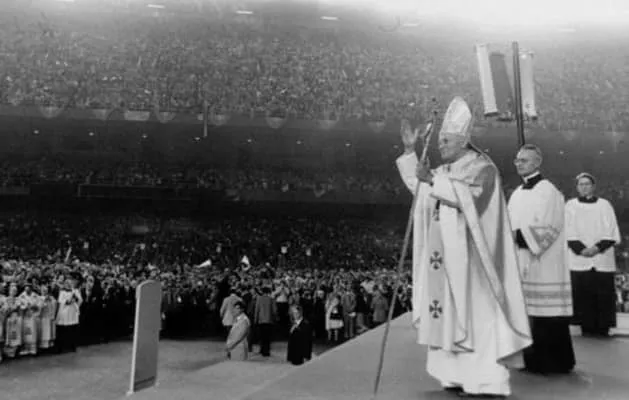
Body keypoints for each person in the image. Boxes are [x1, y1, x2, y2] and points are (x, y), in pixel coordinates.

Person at [396, 96, 531, 398]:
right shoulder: (446, 170)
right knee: (447, 318)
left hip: (473, 263)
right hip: (443, 260)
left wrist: (432, 181)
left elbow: (472, 199)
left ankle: (485, 381)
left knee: (476, 318)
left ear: (462, 141)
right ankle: (454, 375)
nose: (440, 146)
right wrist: (409, 153)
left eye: (445, 141)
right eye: (440, 141)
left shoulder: (482, 168)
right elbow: (421, 187)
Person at [507, 144, 575, 374]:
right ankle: (530, 359)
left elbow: (549, 226)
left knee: (546, 314)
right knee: (528, 313)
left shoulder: (549, 191)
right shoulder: (517, 192)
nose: (519, 164)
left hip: (544, 261)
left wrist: (516, 236)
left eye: (524, 160)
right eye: (517, 160)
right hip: (521, 258)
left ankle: (554, 363)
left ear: (537, 163)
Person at [565, 172, 620, 337]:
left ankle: (603, 328)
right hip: (579, 257)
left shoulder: (604, 205)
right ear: (577, 187)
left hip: (601, 257)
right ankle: (585, 326)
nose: (584, 187)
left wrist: (596, 248)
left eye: (587, 184)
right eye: (581, 184)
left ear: (593, 186)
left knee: (603, 294)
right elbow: (567, 229)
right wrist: (581, 249)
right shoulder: (570, 205)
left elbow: (611, 229)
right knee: (582, 294)